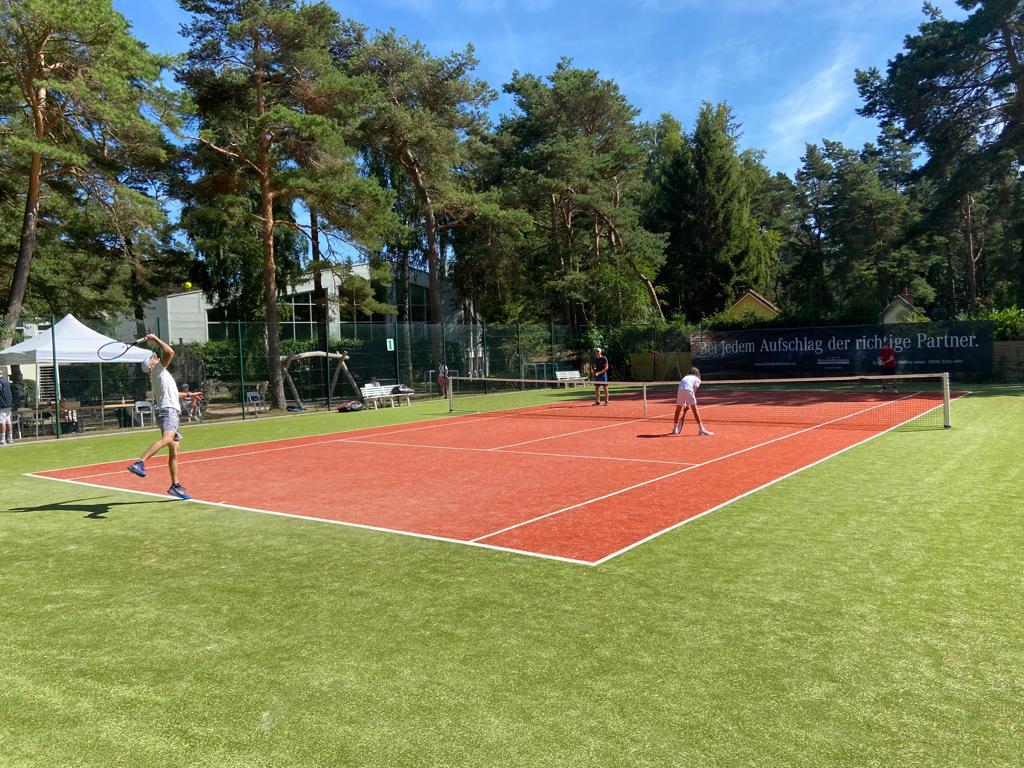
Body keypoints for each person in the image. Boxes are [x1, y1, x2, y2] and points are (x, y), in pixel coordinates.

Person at [127, 334, 191, 500]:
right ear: (151, 364)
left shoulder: (160, 374)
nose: (155, 356)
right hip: (167, 411)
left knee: (175, 450)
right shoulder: (157, 370)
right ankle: (139, 462)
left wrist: (189, 394)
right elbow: (170, 352)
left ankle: (175, 486)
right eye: (153, 357)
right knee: (167, 439)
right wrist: (155, 339)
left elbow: (174, 394)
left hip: (170, 410)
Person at [670, 367, 714, 436]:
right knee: (695, 410)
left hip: (680, 390)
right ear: (696, 373)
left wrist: (686, 404)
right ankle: (701, 430)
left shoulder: (686, 377)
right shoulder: (697, 379)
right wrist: (687, 405)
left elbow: (684, 389)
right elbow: (693, 391)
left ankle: (674, 429)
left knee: (678, 410)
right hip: (688, 390)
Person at [0, 366, 13, 446]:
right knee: (8, 421)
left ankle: (2, 440)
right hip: (8, 404)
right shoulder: (6, 381)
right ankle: (10, 439)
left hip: (2, 405)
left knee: (2, 422)